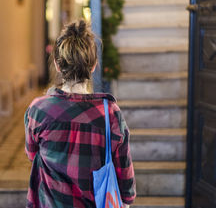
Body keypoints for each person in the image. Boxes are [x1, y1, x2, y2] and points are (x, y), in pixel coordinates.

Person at [24, 20, 136, 208]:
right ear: (93, 66)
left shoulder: (38, 110)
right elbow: (125, 181)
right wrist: (126, 199)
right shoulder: (110, 113)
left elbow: (32, 154)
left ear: (58, 65)